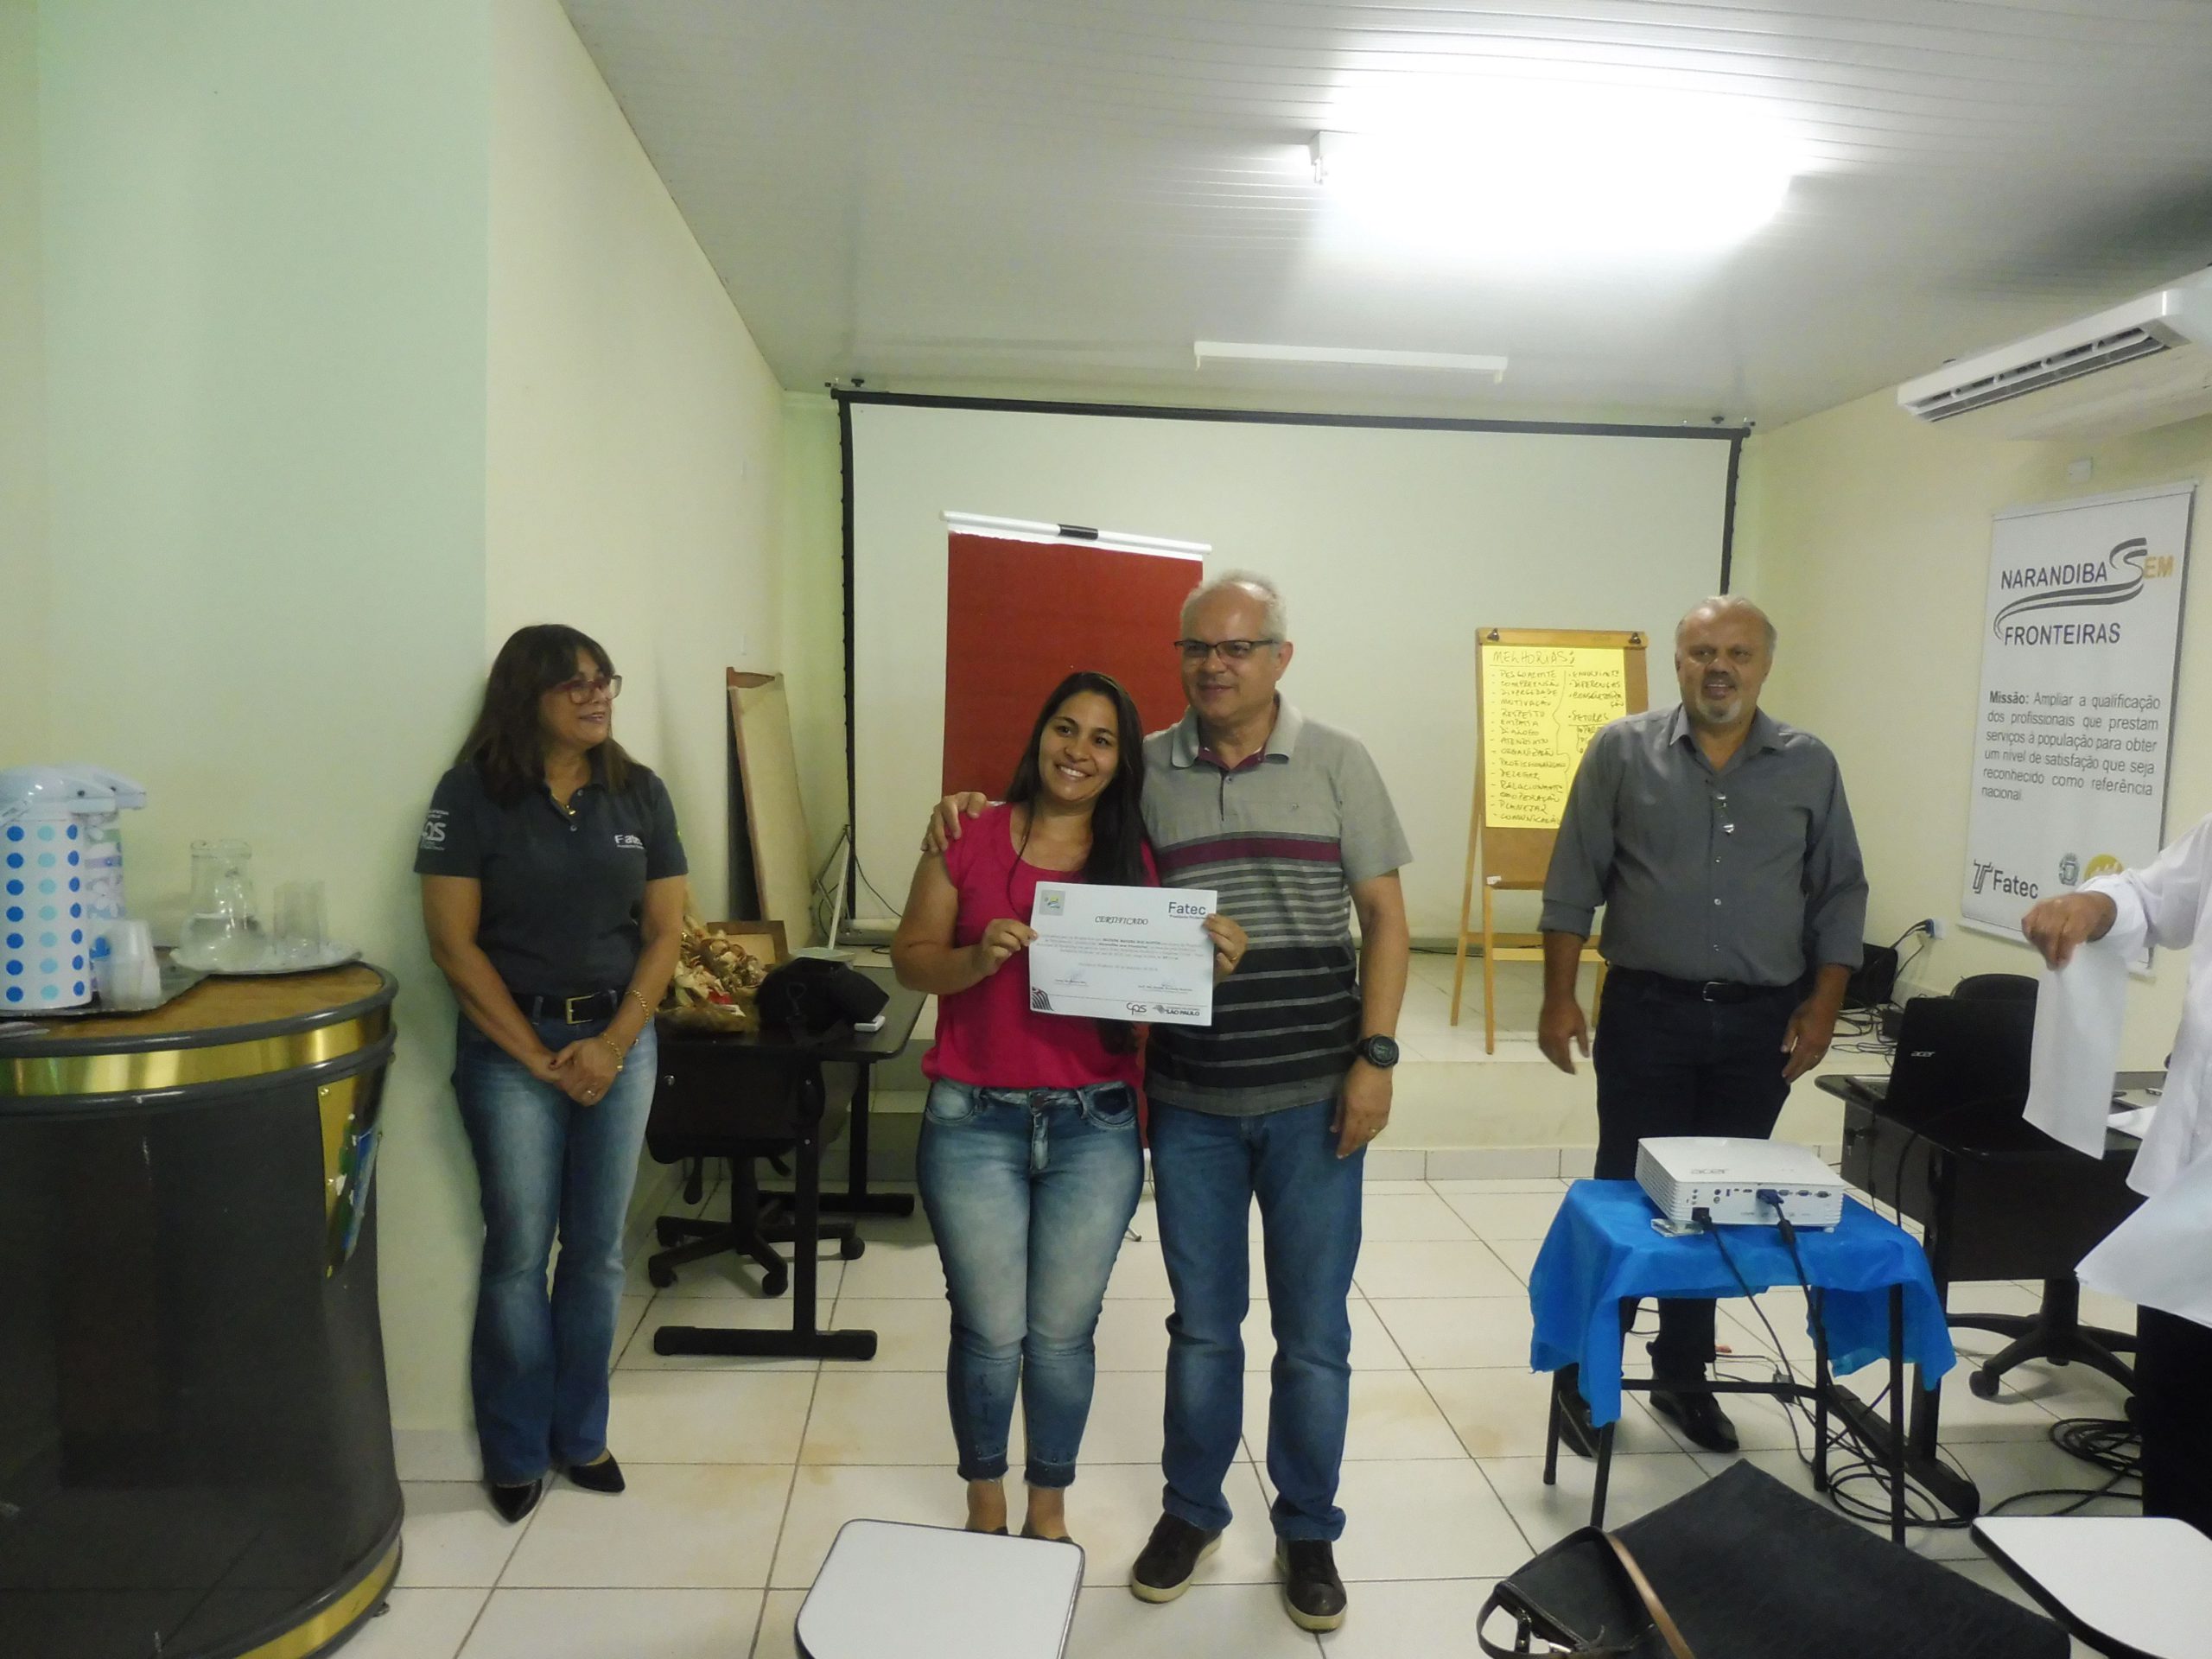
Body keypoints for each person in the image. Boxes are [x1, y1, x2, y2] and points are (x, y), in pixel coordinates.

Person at [930, 573, 1410, 1632]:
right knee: (1201, 1327)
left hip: (1315, 1096)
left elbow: (1384, 916)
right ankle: (1192, 1511)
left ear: (1280, 657)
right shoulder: (1142, 770)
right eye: (1197, 648)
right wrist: (967, 807)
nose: (1215, 666)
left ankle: (1308, 1528)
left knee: (1314, 1333)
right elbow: (1052, 825)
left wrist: (1375, 1058)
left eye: (1238, 647)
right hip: (1189, 1100)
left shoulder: (1339, 762)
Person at [892, 671, 1246, 1545]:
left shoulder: (1136, 861)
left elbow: (1154, 988)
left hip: (1095, 1127)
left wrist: (1203, 966)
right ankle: (984, 1497)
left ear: (1120, 763)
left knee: (1060, 1335)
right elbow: (910, 958)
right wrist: (974, 961)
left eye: (1101, 739)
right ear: (1038, 735)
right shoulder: (965, 833)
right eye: (1064, 728)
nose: (1077, 751)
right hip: (972, 1121)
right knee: (988, 1330)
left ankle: (1047, 1505)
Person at [1538, 595, 1866, 1455]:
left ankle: (1683, 1374)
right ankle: (1586, 1378)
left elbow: (1840, 890)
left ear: (1765, 664)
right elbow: (1573, 877)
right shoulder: (1621, 750)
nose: (1719, 668)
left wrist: (1825, 1004)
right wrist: (1558, 995)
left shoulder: (1808, 764)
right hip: (1647, 1012)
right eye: (1702, 652)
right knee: (1627, 1196)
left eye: (1738, 653)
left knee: (1723, 1204)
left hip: (1760, 1023)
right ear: (1678, 662)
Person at [416, 624, 687, 1523]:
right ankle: (516, 1450)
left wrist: (613, 1043)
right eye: (574, 683)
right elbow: (452, 945)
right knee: (518, 1253)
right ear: (523, 697)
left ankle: (582, 1436)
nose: (596, 695)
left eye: (603, 679)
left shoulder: (638, 792)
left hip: (620, 1038)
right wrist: (537, 1058)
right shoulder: (470, 795)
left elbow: (665, 933)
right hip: (510, 1049)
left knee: (599, 1253)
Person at [2024, 819, 2212, 1535]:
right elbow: (2154, 897)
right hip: (2189, 1186)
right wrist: (2095, 905)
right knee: (2177, 1410)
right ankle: (2167, 1576)